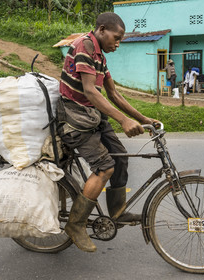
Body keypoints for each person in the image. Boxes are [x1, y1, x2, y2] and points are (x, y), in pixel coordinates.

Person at [58, 12, 158, 253]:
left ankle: (117, 212)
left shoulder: (100, 55)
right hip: (76, 118)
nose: (118, 43)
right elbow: (91, 91)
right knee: (105, 167)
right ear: (102, 30)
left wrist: (143, 119)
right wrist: (123, 120)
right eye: (117, 37)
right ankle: (76, 224)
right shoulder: (85, 46)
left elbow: (113, 94)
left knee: (120, 157)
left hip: (92, 115)